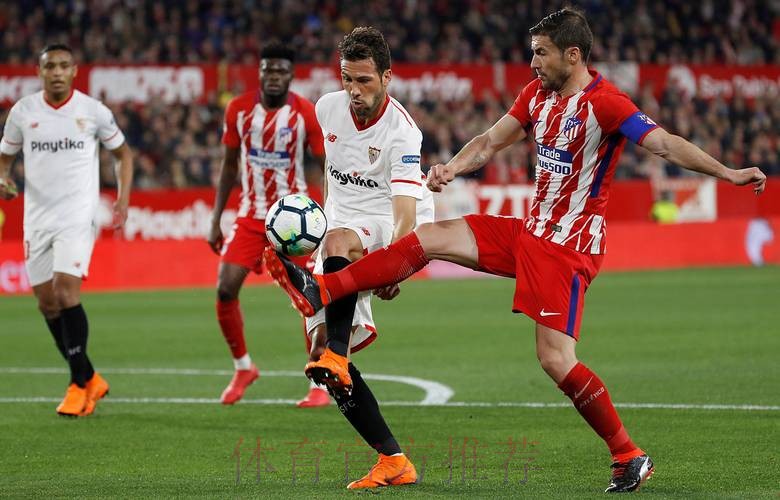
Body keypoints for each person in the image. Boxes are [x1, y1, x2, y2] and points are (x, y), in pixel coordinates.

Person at [263, 8, 767, 494]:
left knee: (555, 359)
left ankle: (627, 454)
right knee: (432, 238)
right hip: (530, 231)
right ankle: (322, 288)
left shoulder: (607, 104)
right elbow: (488, 141)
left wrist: (727, 173)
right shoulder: (536, 95)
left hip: (567, 246)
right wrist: (452, 168)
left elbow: (665, 144)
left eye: (541, 53)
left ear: (573, 55)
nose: (533, 62)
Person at [287, 26, 432, 490]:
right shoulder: (327, 108)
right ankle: (393, 460)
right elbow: (332, 171)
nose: (353, 90)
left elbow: (405, 213)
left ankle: (332, 343)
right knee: (323, 359)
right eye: (347, 78)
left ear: (387, 77)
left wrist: (397, 266)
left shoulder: (403, 133)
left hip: (391, 222)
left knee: (339, 244)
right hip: (341, 222)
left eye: (364, 80)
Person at [0, 43, 134, 417]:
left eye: (63, 66)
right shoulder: (23, 112)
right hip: (36, 218)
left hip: (77, 214)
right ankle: (90, 377)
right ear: (40, 72)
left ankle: (77, 385)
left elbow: (123, 154)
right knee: (46, 303)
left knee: (64, 292)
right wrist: (2, 180)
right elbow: (4, 158)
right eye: (50, 66)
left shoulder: (93, 111)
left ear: (74, 71)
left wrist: (122, 197)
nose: (57, 72)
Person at [206, 41, 328, 407]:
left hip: (294, 221)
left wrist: (328, 216)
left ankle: (319, 381)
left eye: (281, 70)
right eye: (268, 69)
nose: (274, 76)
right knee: (225, 288)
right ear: (259, 73)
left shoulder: (306, 113)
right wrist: (216, 218)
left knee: (312, 296)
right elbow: (229, 165)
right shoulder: (238, 110)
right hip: (251, 216)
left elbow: (325, 166)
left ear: (291, 75)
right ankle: (243, 367)